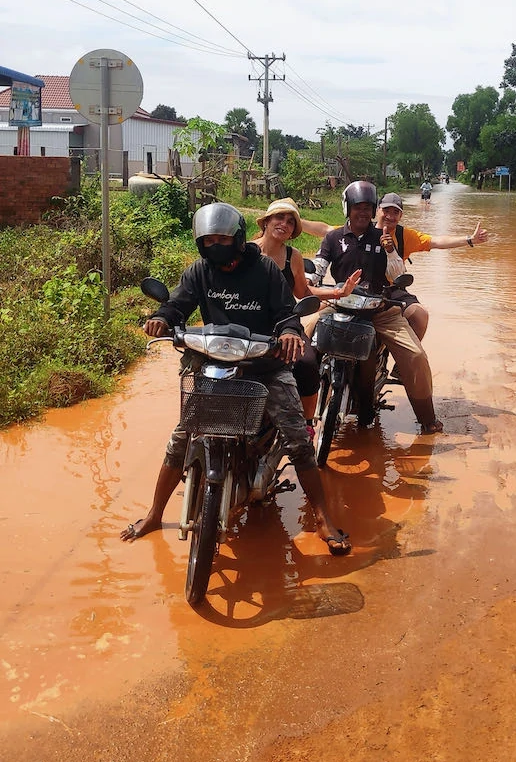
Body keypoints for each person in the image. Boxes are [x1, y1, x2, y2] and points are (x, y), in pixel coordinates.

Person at [120, 202, 351, 555]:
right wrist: (162, 317)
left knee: (296, 438)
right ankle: (154, 514)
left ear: (239, 238)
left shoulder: (265, 270)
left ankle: (322, 518)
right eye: (208, 240)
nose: (216, 245)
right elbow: (178, 304)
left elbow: (287, 313)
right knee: (181, 436)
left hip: (264, 365)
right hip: (214, 363)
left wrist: (290, 332)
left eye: (222, 239)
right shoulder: (199, 271)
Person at [313, 181, 443, 434]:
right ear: (347, 208)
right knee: (301, 338)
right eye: (357, 207)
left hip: (380, 310)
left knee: (415, 356)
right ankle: (299, 415)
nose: (362, 213)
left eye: (367, 208)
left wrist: (391, 251)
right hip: (340, 305)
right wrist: (310, 282)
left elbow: (397, 274)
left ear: (374, 211)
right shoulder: (333, 238)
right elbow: (319, 265)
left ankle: (428, 419)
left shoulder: (384, 238)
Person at [302, 191, 489, 342]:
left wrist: (469, 240)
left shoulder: (405, 236)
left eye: (395, 212)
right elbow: (326, 230)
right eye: (386, 211)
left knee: (419, 316)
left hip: (390, 289)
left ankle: (402, 369)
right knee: (311, 322)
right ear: (378, 211)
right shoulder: (360, 229)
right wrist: (292, 220)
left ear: (401, 215)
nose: (390, 216)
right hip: (351, 291)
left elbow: (437, 241)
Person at [254, 197, 362, 436]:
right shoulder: (246, 250)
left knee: (307, 362)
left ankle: (306, 423)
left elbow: (302, 292)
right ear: (266, 222)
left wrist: (338, 292)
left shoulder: (293, 256)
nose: (284, 224)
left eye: (291, 222)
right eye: (279, 218)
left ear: (294, 230)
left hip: (283, 324)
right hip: (247, 323)